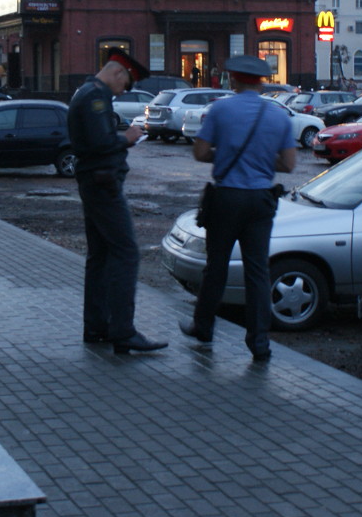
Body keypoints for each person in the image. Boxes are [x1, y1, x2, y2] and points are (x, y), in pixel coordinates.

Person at [179, 55, 296, 361]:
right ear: (260, 82)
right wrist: (259, 159)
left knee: (216, 266)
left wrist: (229, 155)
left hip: (227, 197)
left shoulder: (221, 109)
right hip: (261, 201)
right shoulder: (279, 116)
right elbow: (289, 164)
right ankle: (259, 344)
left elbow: (200, 153)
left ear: (234, 79)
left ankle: (203, 327)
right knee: (258, 272)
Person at [67, 49, 167, 355]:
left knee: (99, 256)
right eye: (126, 83)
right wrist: (128, 137)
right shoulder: (96, 97)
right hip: (103, 185)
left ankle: (97, 327)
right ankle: (123, 331)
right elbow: (100, 143)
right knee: (126, 253)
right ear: (118, 73)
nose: (125, 89)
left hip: (94, 183)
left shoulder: (85, 92)